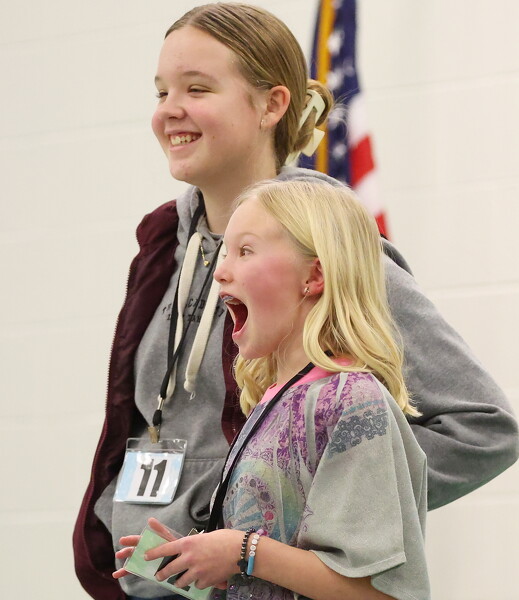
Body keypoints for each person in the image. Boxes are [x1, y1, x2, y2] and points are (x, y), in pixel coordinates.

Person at [73, 3, 518, 600]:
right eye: (161, 91)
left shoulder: (327, 251)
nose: (169, 110)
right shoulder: (162, 249)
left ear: (272, 105)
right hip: (145, 587)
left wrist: (287, 505)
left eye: (198, 88)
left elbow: (483, 428)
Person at [114, 179, 431, 600]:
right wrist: (205, 557)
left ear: (314, 275)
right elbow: (288, 566)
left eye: (244, 251)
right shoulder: (273, 400)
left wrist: (243, 551)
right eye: (224, 253)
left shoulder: (350, 400)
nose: (221, 271)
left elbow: (379, 593)